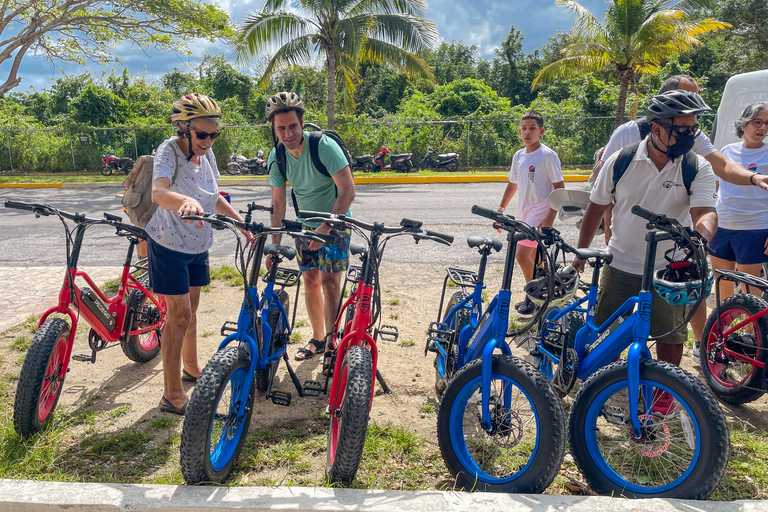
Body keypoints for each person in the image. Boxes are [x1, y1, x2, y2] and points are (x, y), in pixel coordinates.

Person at [593, 74, 768, 357]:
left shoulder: (690, 135)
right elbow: (606, 192)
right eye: (691, 95)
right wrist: (611, 239)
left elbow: (721, 167)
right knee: (609, 326)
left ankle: (701, 346)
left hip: (671, 252)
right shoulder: (627, 135)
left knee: (686, 308)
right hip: (624, 251)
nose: (696, 102)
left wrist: (753, 178)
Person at [573, 90, 718, 414]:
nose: (688, 137)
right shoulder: (621, 160)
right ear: (657, 129)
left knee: (671, 338)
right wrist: (582, 252)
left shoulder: (697, 167)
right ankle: (594, 393)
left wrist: (699, 238)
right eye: (681, 131)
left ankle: (661, 403)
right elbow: (596, 209)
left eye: (692, 130)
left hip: (668, 271)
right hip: (620, 262)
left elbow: (706, 212)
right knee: (601, 334)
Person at [147, 93, 248, 415]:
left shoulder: (207, 155)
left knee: (191, 311)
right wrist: (184, 202)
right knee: (178, 316)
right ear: (183, 129)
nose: (208, 141)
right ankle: (171, 395)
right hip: (169, 243)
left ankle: (191, 368)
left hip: (198, 243)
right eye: (202, 134)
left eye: (214, 134)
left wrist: (242, 224)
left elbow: (213, 195)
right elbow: (159, 192)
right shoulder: (168, 150)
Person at [265, 92, 356, 369]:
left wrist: (326, 226)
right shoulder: (277, 156)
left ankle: (332, 342)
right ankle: (318, 338)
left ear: (302, 122)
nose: (287, 133)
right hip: (304, 228)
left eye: (292, 126)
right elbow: (278, 204)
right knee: (310, 282)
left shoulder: (323, 146)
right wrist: (275, 245)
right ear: (274, 128)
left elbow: (348, 191)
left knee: (330, 284)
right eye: (281, 128)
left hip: (335, 226)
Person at [693, 102, 768, 356]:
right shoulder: (727, 150)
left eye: (767, 124)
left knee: (750, 290)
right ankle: (723, 340)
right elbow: (715, 185)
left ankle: (751, 343)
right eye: (757, 122)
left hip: (755, 229)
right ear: (743, 124)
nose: (762, 128)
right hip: (723, 227)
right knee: (722, 285)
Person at [497, 111, 565, 315]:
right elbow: (513, 184)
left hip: (542, 212)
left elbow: (559, 188)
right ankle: (552, 295)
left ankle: (533, 296)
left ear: (541, 131)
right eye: (524, 128)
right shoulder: (518, 156)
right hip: (525, 213)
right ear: (519, 131)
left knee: (521, 254)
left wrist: (549, 218)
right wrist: (501, 210)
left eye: (532, 128)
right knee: (537, 260)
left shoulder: (548, 155)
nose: (527, 132)